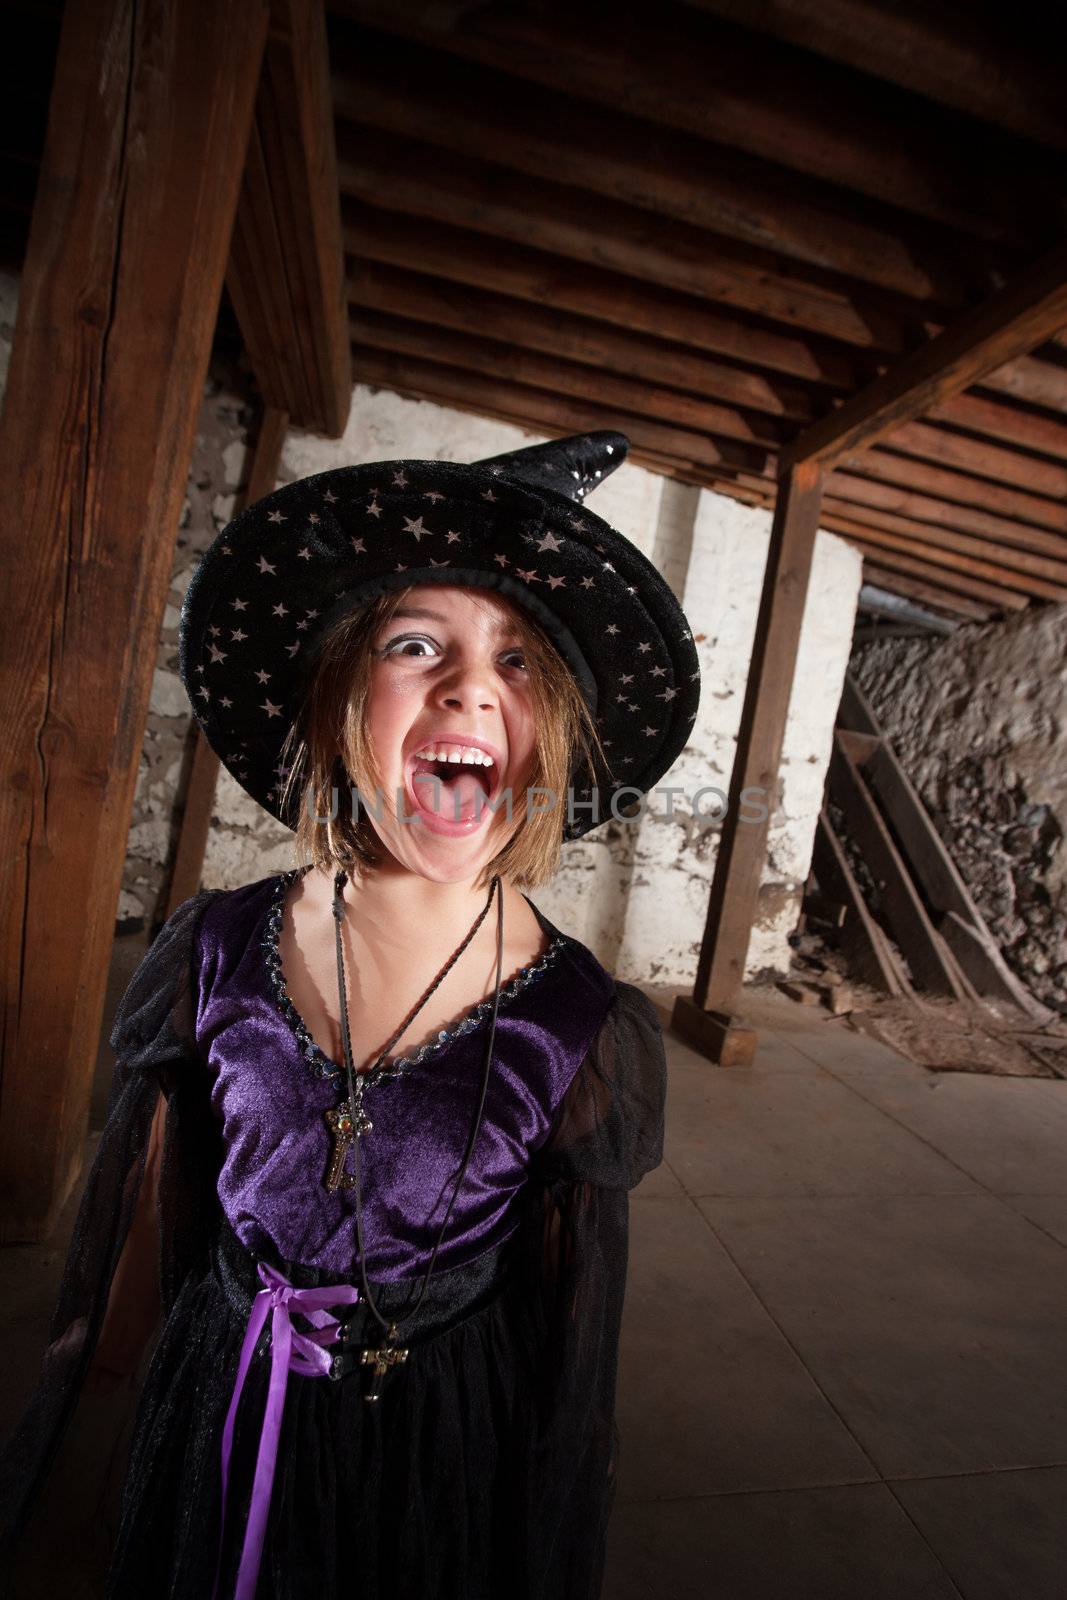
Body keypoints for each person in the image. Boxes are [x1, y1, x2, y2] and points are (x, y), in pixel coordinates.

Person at [0, 430, 700, 1599]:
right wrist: (115, 1405)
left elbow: (564, 1343)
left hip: (430, 1444)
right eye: (415, 643)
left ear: (555, 740)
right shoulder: (216, 950)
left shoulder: (578, 1027)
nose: (470, 684)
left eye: (517, 661)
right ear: (335, 699)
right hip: (220, 1403)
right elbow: (145, 1213)